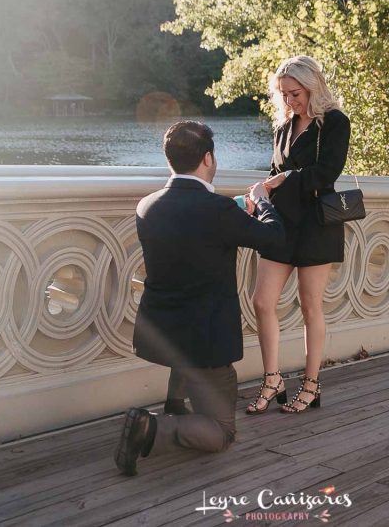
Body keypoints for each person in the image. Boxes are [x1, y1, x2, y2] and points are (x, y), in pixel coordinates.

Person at [114, 121, 284, 476]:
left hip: (161, 331)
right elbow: (274, 239)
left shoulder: (148, 205)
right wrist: (262, 204)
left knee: (184, 342)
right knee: (221, 433)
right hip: (205, 341)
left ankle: (176, 405)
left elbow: (194, 234)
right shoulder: (218, 211)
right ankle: (151, 428)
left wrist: (234, 214)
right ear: (208, 158)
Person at [246, 55, 350, 415]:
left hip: (316, 225)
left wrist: (286, 178)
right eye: (284, 95)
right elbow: (277, 171)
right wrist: (261, 192)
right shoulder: (283, 127)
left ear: (313, 86)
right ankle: (272, 378)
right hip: (280, 224)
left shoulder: (334, 122)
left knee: (310, 307)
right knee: (262, 301)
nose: (290, 101)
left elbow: (327, 172)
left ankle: (311, 384)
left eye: (295, 93)